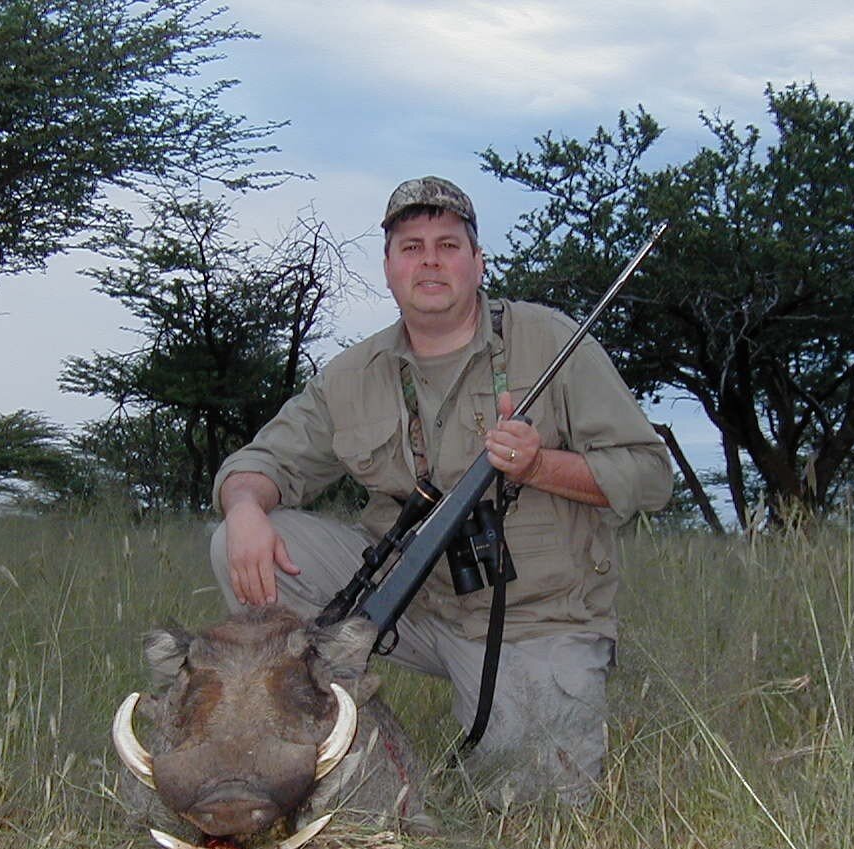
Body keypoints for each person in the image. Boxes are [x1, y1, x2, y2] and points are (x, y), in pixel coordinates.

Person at [209, 176, 672, 807]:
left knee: (536, 809)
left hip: (536, 617)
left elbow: (649, 474)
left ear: (479, 263)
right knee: (244, 541)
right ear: (389, 270)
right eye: (411, 246)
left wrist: (539, 468)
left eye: (449, 245)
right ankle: (304, 732)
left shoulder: (554, 341)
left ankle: (432, 754)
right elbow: (262, 461)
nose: (430, 259)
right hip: (407, 608)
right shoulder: (355, 373)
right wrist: (241, 508)